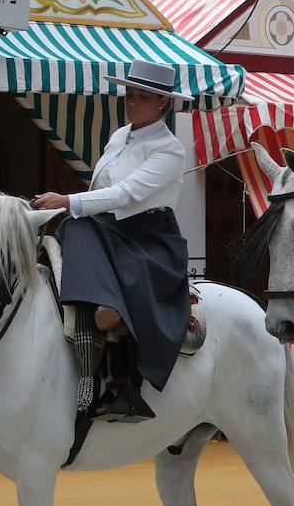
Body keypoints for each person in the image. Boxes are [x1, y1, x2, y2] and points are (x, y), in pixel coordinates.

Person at [32, 61, 190, 424]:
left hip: (148, 237)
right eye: (129, 94)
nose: (131, 102)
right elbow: (100, 188)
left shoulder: (170, 150)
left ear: (162, 103)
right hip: (107, 227)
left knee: (79, 227)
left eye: (142, 97)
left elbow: (126, 193)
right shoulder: (119, 136)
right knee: (71, 232)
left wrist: (67, 202)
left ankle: (116, 377)